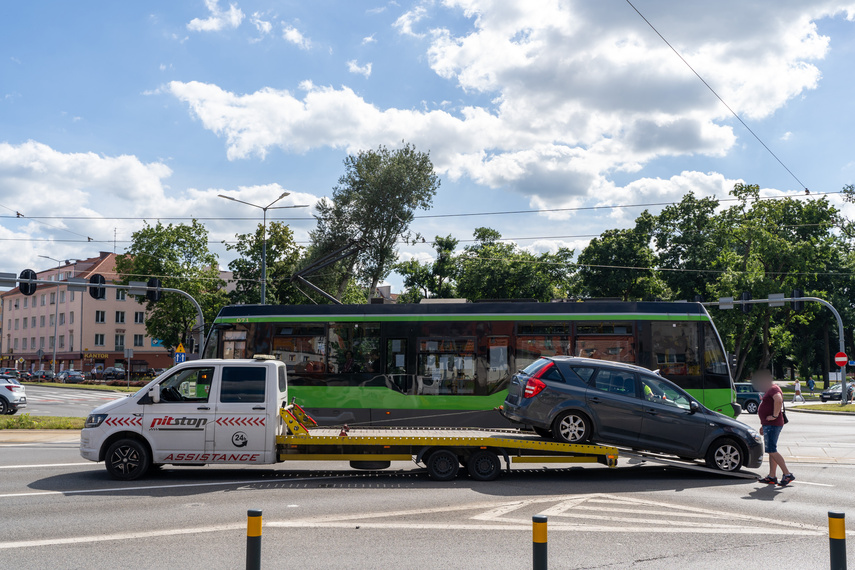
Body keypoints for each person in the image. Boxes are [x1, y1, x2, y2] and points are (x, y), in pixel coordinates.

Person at [753, 370, 795, 487]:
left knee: (771, 450)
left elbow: (778, 400)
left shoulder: (773, 389)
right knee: (772, 450)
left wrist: (774, 416)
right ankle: (772, 476)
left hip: (773, 424)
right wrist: (764, 424)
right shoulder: (770, 390)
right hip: (769, 424)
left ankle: (787, 474)